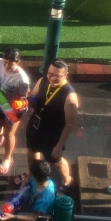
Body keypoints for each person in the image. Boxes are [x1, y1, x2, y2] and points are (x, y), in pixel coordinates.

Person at [23, 59, 78, 190]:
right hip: (36, 124)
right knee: (31, 151)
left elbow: (69, 124)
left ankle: (67, 180)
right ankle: (33, 173)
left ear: (66, 75)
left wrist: (59, 146)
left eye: (57, 76)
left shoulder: (70, 97)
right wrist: (27, 103)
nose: (52, 78)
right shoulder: (43, 80)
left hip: (53, 132)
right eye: (50, 74)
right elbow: (33, 95)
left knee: (55, 160)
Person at [0, 47, 29, 178]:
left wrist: (15, 109)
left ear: (18, 62)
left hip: (12, 109)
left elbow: (23, 99)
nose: (6, 66)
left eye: (10, 64)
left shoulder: (22, 79)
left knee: (9, 134)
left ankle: (7, 158)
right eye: (5, 62)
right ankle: (1, 132)